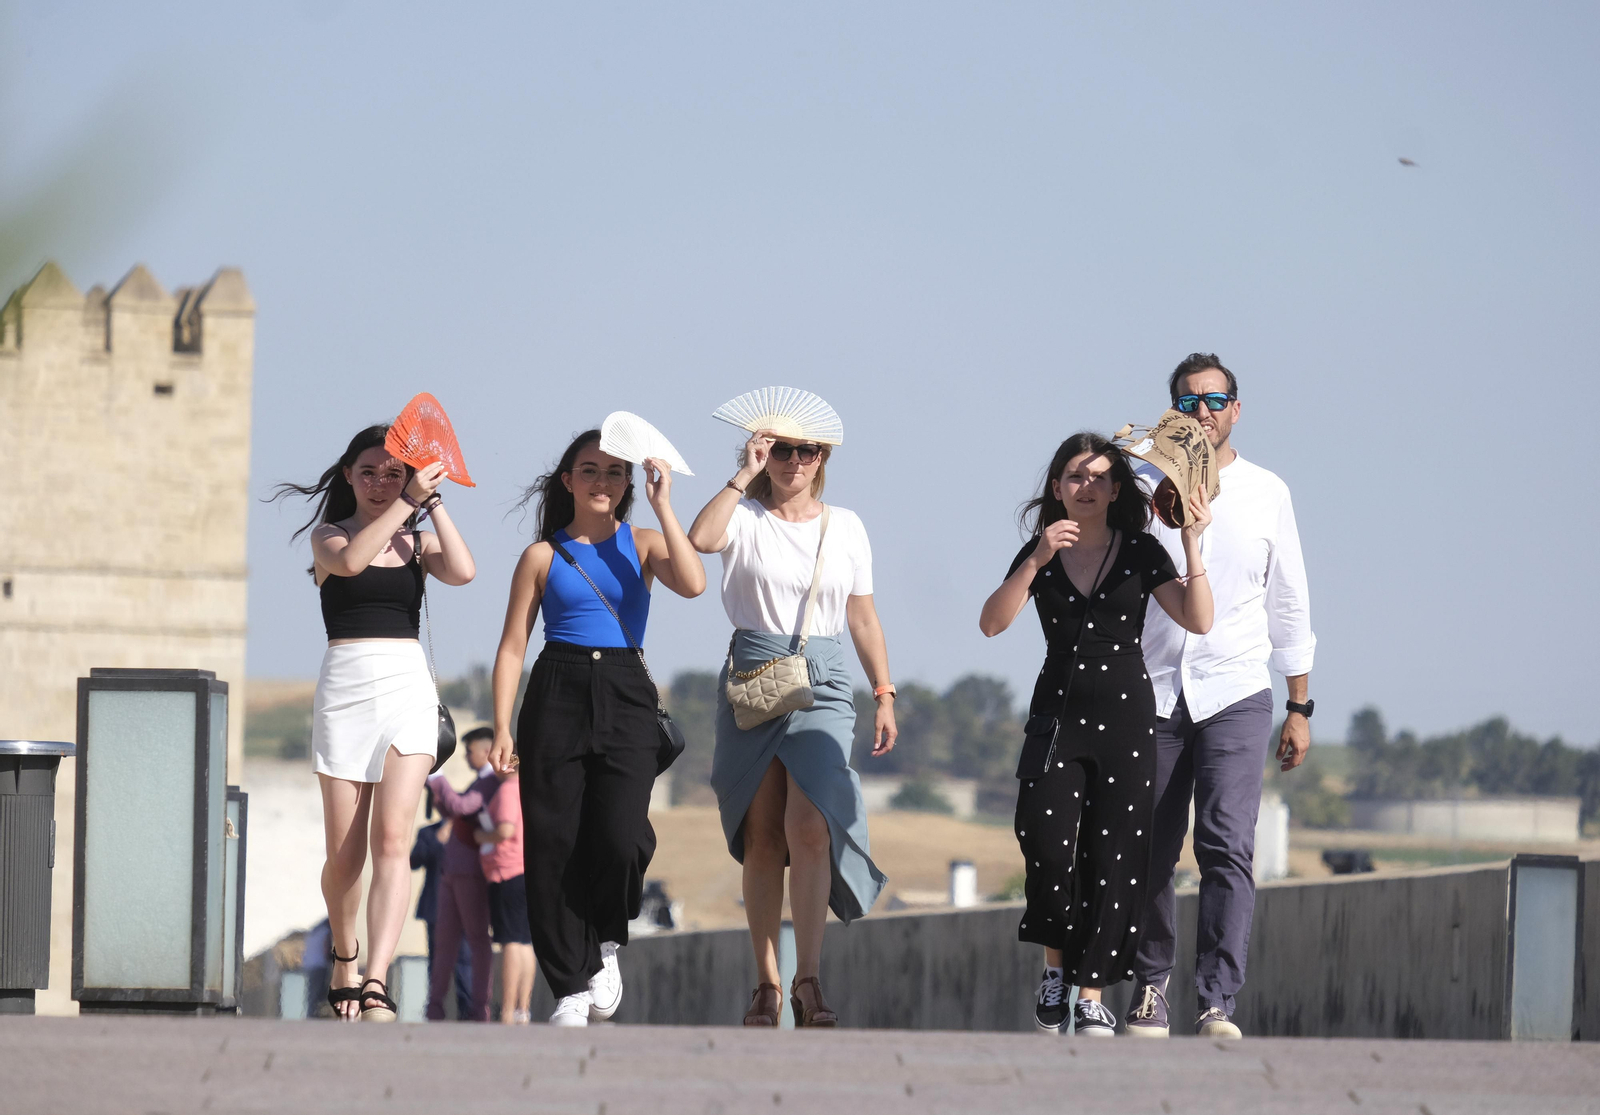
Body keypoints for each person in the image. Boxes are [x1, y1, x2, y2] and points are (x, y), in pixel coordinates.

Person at [978, 431, 1212, 1036]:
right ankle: (1055, 971)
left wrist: (1190, 542)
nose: (1087, 486)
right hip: (1058, 715)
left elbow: (1198, 618)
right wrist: (1035, 560)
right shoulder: (1041, 552)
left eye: (1100, 477)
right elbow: (991, 623)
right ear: (1056, 487)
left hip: (1128, 719)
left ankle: (1088, 994)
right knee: (1046, 844)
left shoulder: (1140, 551)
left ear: (1116, 490)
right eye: (1075, 477)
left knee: (1116, 860)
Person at [1125, 353, 1316, 1040]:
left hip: (1236, 688)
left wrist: (1299, 704)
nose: (1203, 411)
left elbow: (1287, 598)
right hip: (1153, 688)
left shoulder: (1268, 491)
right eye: (1189, 400)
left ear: (1237, 408)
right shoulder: (1140, 484)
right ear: (1173, 410)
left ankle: (1216, 1000)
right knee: (1148, 840)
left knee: (1228, 842)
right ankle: (1149, 986)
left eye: (1215, 399)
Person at [486, 430, 705, 1027]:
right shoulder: (542, 556)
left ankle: (607, 938)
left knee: (619, 833)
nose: (602, 481)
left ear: (628, 483)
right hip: (555, 687)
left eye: (614, 471)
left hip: (626, 689)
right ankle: (570, 989)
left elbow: (694, 582)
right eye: (589, 470)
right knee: (553, 843)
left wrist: (664, 503)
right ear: (568, 481)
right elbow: (511, 649)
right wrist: (503, 725)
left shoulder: (646, 542)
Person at [687, 425, 897, 1028]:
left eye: (806, 451)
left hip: (825, 677)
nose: (793, 461)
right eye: (780, 450)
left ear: (823, 456)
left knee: (811, 826)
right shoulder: (745, 516)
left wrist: (884, 690)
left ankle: (809, 979)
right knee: (763, 834)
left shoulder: (847, 525)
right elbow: (701, 539)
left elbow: (862, 615)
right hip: (754, 675)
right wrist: (742, 475)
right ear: (763, 455)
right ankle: (765, 983)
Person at [271, 424, 475, 1021]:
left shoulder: (416, 539)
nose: (382, 483)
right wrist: (409, 502)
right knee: (345, 856)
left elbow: (463, 570)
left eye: (393, 472)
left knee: (393, 840)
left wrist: (433, 503)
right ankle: (345, 953)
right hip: (346, 689)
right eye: (370, 473)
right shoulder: (329, 536)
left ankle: (378, 979)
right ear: (347, 478)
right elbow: (356, 561)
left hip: (406, 686)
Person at [424, 730, 500, 1022]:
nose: (467, 756)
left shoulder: (489, 782)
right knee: (445, 941)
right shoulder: (481, 782)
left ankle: (479, 1007)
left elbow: (458, 807)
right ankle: (435, 1006)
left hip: (469, 872)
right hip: (454, 871)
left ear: (485, 751)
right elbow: (453, 809)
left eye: (469, 751)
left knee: (477, 939)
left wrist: (437, 776)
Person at [470, 726, 536, 1024]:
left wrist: (482, 836)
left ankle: (508, 1009)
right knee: (524, 942)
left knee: (510, 941)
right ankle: (523, 1007)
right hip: (525, 871)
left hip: (507, 872)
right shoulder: (528, 788)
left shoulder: (509, 790)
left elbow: (505, 829)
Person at [408, 809, 474, 1019]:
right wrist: (438, 841)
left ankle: (468, 1010)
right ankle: (435, 1008)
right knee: (437, 960)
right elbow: (414, 861)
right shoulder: (429, 833)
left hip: (464, 907)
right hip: (435, 908)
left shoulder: (471, 833)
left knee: (465, 960)